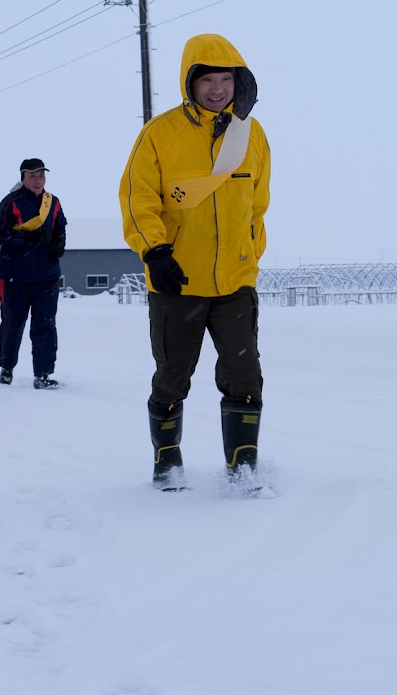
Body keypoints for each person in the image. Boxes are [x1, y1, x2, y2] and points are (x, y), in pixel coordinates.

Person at [119, 33, 271, 489]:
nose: (218, 88)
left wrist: (250, 254)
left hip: (234, 283)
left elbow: (258, 206)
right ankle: (167, 461)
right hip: (176, 281)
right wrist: (155, 251)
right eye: (208, 79)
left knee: (244, 375)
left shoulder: (253, 134)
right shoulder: (159, 134)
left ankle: (242, 464)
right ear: (190, 81)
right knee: (172, 375)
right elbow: (136, 198)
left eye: (226, 79)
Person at [0, 158, 67, 389]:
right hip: (15, 275)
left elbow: (61, 227)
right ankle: (7, 367)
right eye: (33, 175)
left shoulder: (53, 202)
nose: (38, 179)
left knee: (45, 326)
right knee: (12, 324)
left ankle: (42, 374)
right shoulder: (10, 202)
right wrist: (23, 239)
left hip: (47, 275)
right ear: (23, 177)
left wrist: (59, 245)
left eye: (41, 175)